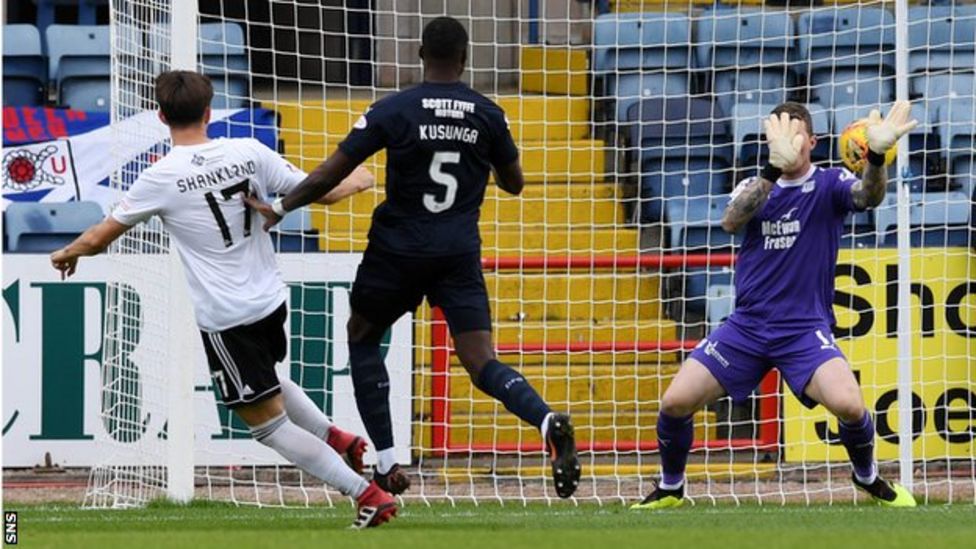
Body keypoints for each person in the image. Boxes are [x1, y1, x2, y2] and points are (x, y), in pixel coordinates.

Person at [249, 16, 581, 499]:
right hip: (457, 251)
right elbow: (514, 183)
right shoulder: (488, 113)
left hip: (397, 250)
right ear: (465, 60)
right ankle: (546, 418)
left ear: (420, 55)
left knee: (362, 338)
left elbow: (329, 174)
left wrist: (280, 207)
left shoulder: (394, 109)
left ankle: (386, 464)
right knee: (480, 359)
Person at [50, 70, 397, 528]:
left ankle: (366, 493)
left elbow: (100, 237)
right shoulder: (247, 151)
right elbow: (322, 188)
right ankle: (337, 437)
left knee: (267, 426)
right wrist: (362, 178)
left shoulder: (161, 176)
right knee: (267, 382)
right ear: (209, 112)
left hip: (227, 315)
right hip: (271, 301)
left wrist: (66, 252)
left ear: (160, 117)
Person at [631, 101, 919, 510]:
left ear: (812, 142)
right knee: (674, 402)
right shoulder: (754, 185)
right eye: (779, 136)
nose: (787, 143)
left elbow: (868, 196)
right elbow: (731, 221)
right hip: (747, 327)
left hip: (803, 328)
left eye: (795, 135)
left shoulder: (830, 183)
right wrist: (769, 170)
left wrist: (875, 158)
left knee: (851, 406)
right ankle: (671, 487)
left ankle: (868, 478)